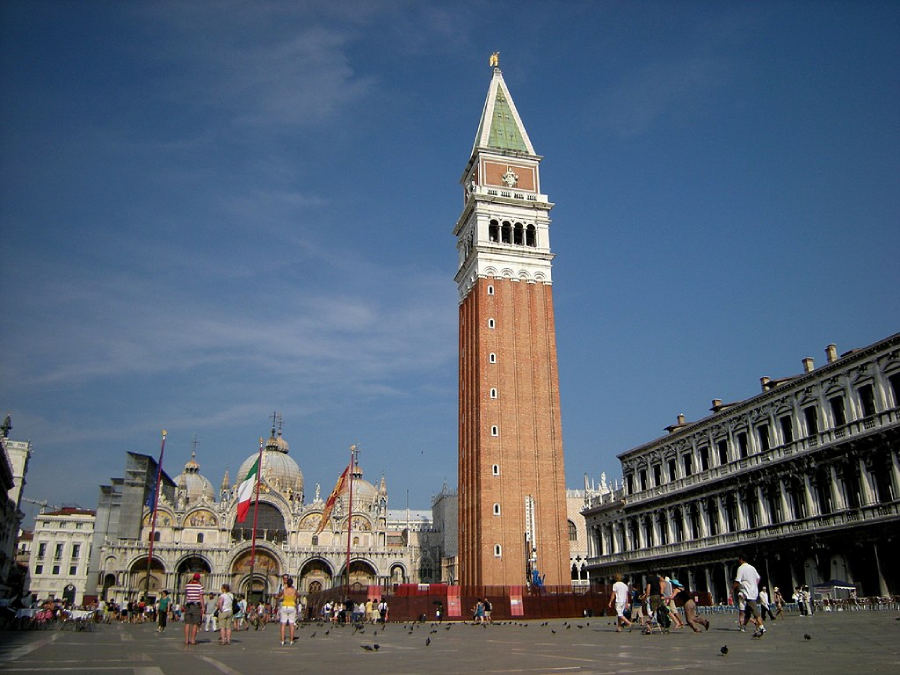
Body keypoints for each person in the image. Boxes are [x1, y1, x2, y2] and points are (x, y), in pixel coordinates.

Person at [733, 553, 765, 638]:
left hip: (747, 592)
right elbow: (758, 578)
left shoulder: (741, 568)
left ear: (740, 559)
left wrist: (732, 589)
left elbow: (737, 581)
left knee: (755, 611)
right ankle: (743, 626)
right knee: (747, 611)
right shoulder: (752, 567)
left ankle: (762, 626)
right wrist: (754, 585)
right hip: (753, 591)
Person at [183, 572, 204, 645]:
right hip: (196, 606)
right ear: (198, 578)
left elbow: (186, 595)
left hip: (188, 605)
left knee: (187, 623)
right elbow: (201, 597)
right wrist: (203, 607)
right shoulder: (199, 586)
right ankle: (192, 640)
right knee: (195, 623)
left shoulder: (187, 586)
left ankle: (186, 640)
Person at [276, 576, 297, 645]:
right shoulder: (294, 590)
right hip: (292, 607)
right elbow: (298, 595)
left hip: (284, 606)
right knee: (291, 624)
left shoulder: (284, 590)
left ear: (287, 583)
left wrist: (277, 596)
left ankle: (282, 640)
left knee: (283, 624)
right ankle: (291, 640)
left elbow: (278, 596)